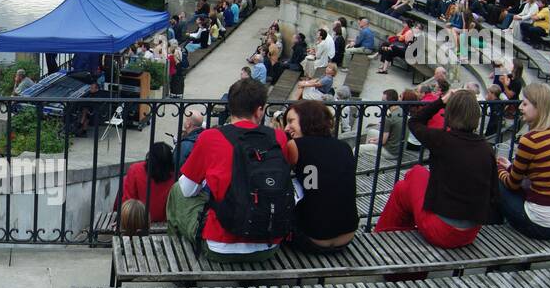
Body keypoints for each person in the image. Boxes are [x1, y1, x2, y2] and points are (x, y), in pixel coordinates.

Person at [166, 78, 298, 261]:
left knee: (177, 191)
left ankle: (176, 255)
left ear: (231, 106)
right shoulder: (278, 137)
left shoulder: (210, 137)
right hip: (269, 245)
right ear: (259, 110)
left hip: (220, 245)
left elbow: (188, 190)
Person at [375, 90, 497, 249]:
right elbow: (494, 194)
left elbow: (414, 121)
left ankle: (380, 236)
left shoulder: (442, 140)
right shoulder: (486, 149)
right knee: (409, 183)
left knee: (408, 181)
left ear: (450, 113)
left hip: (443, 231)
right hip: (470, 232)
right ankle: (385, 236)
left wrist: (441, 101)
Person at [496, 84, 550, 239]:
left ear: (539, 107)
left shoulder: (530, 140)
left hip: (540, 225)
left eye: (525, 104)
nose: (520, 107)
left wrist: (499, 169)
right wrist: (510, 167)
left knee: (495, 180)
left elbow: (512, 184)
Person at [283, 100, 357, 252]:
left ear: (307, 119)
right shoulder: (344, 147)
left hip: (312, 238)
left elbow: (280, 173)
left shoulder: (295, 145)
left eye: (291, 121)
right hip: (347, 236)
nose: (286, 128)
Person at [116, 142, 176, 223]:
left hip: (137, 220)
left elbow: (128, 199)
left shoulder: (135, 170)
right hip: (165, 222)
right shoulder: (175, 176)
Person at [359, 89, 407, 164]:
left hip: (390, 152)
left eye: (383, 101)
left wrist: (372, 142)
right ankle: (368, 159)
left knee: (358, 149)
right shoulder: (401, 111)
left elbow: (383, 141)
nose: (381, 103)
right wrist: (375, 140)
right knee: (371, 132)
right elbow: (389, 136)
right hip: (399, 149)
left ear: (388, 102)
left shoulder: (389, 118)